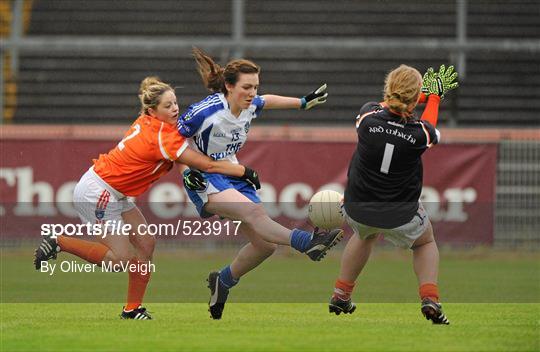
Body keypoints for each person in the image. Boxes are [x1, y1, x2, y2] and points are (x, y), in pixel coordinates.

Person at [33, 76, 261, 320]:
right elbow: (206, 163)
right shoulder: (161, 136)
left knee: (145, 243)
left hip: (113, 191)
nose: (175, 109)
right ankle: (59, 242)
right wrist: (243, 171)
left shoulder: (154, 124)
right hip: (98, 192)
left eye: (175, 103)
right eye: (167, 106)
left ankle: (132, 309)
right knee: (119, 259)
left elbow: (181, 154)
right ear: (152, 110)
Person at [177, 47, 344, 319]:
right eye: (246, 87)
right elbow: (169, 143)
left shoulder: (250, 104)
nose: (252, 92)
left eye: (255, 86)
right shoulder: (204, 111)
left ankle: (223, 281)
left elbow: (267, 100)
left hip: (232, 172)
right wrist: (185, 171)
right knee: (255, 214)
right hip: (203, 177)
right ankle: (308, 243)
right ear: (229, 87)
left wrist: (302, 102)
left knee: (266, 245)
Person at [328, 64, 458, 325]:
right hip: (400, 211)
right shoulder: (420, 133)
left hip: (358, 207)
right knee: (425, 242)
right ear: (413, 99)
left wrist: (416, 95)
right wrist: (433, 97)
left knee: (364, 234)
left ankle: (341, 294)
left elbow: (388, 105)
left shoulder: (367, 118)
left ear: (388, 90)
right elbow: (430, 125)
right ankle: (430, 298)